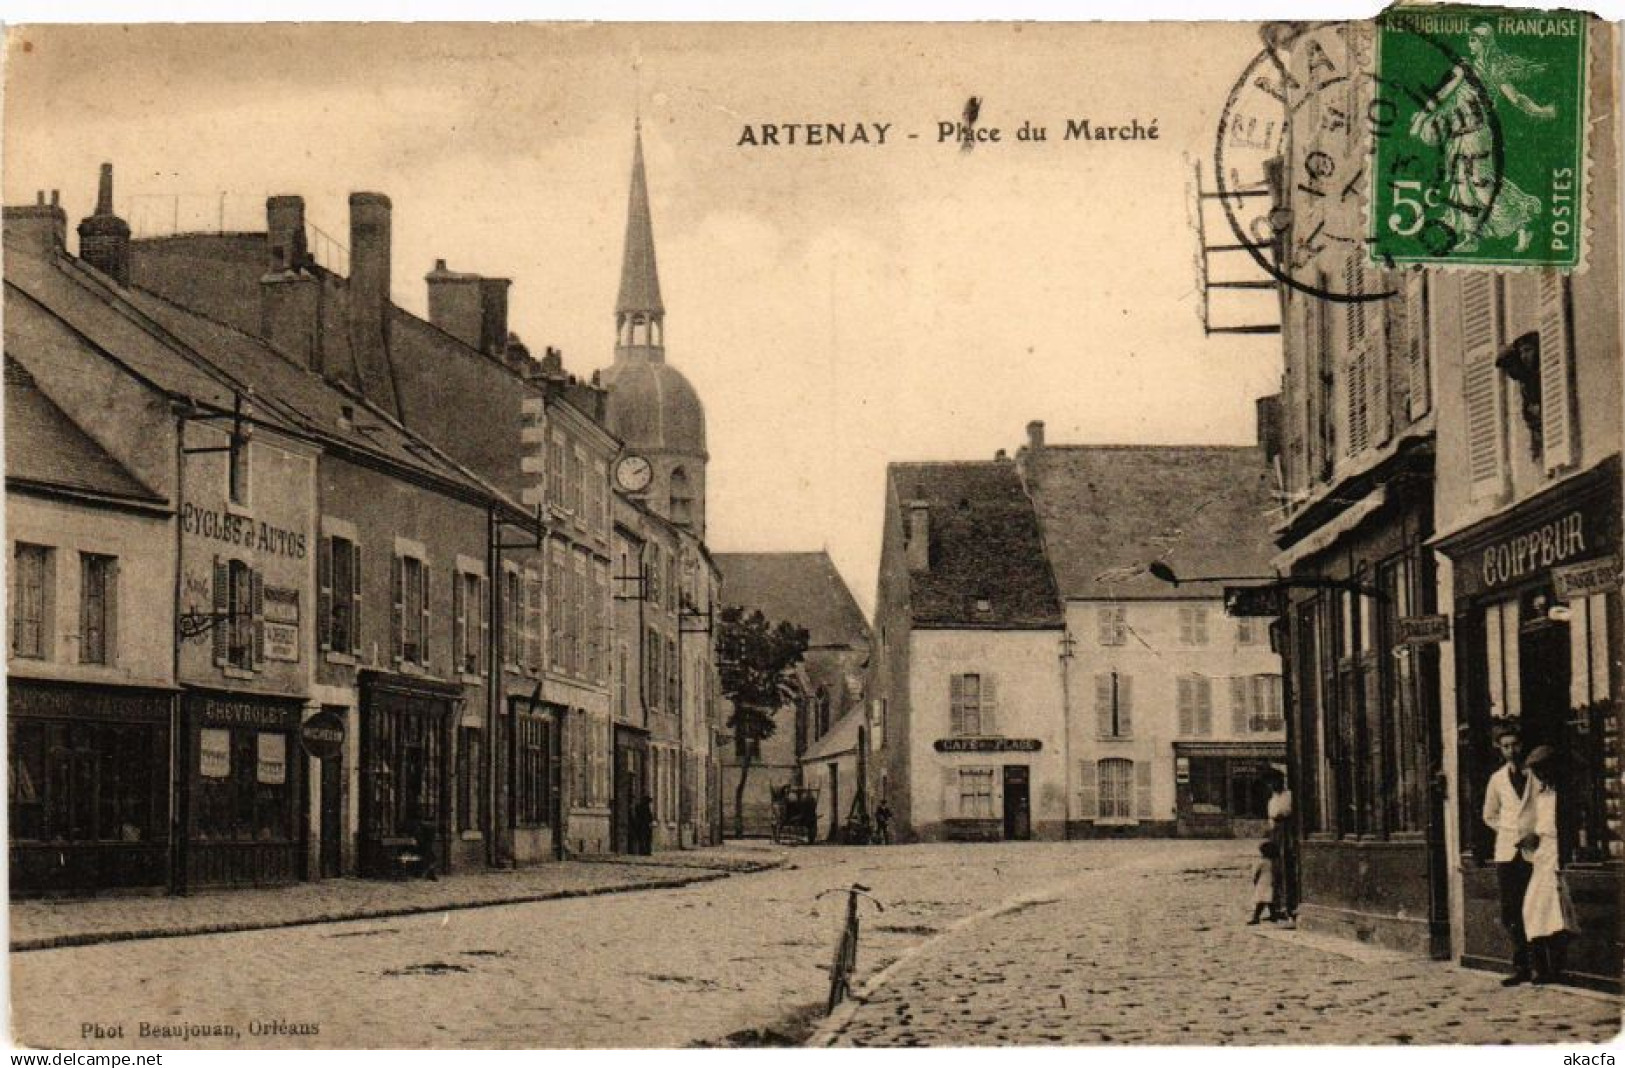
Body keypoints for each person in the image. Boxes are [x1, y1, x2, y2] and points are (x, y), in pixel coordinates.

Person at [1482, 724, 1533, 985]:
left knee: (1534, 907)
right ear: (1499, 750)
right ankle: (1521, 965)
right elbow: (1489, 814)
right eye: (1506, 746)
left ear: (1522, 745)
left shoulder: (1534, 774)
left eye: (1515, 744)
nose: (1511, 750)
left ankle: (1541, 965)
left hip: (1534, 851)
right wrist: (1509, 830)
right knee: (1511, 910)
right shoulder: (1497, 779)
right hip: (1507, 853)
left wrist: (1532, 832)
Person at [1519, 745, 1570, 985]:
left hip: (1557, 855)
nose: (1539, 777)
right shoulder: (1542, 796)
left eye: (1541, 771)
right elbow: (1539, 826)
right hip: (1542, 856)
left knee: (1555, 912)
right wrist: (1530, 841)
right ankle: (1539, 967)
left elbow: (1564, 829)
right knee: (1532, 908)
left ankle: (1555, 968)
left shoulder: (1563, 796)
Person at [1266, 771, 1297, 920]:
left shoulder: (1289, 795)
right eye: (1270, 783)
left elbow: (1291, 813)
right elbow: (1270, 819)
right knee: (1275, 869)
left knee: (1286, 867)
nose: (1272, 785)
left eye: (1275, 782)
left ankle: (1289, 905)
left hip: (1287, 831)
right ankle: (1276, 907)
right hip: (1276, 834)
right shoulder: (1272, 799)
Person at [1248, 840, 1279, 925]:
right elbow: (1276, 872)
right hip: (1271, 882)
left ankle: (1256, 918)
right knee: (1269, 900)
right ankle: (1273, 915)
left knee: (1261, 901)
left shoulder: (1262, 862)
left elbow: (1257, 873)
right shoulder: (1274, 862)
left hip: (1262, 882)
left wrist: (1255, 881)